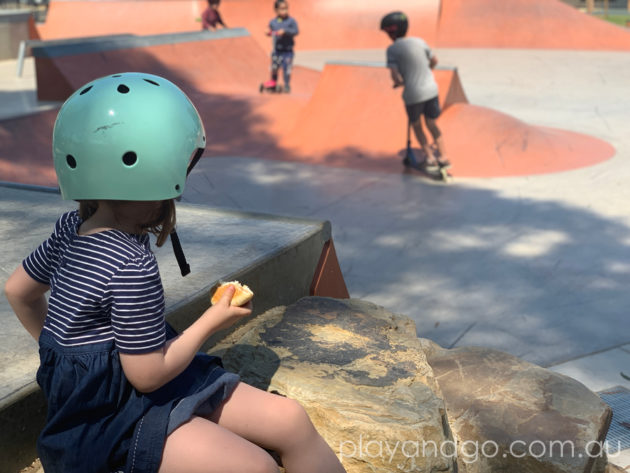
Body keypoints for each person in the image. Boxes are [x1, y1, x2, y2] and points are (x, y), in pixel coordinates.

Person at [4, 72, 346, 473]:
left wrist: (67, 359)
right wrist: (211, 321)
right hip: (110, 423)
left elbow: (18, 291)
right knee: (256, 467)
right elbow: (148, 374)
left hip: (116, 389)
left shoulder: (71, 228)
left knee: (290, 420)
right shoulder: (131, 266)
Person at [381, 11, 450, 172]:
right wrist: (428, 71)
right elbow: (434, 60)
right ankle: (444, 157)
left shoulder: (392, 50)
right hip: (432, 90)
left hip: (413, 94)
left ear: (391, 32)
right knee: (432, 124)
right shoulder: (420, 41)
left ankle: (431, 159)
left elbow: (395, 76)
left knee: (417, 125)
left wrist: (400, 83)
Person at [265, 0, 299, 93]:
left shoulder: (291, 21)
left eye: (286, 8)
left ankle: (287, 85)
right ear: (276, 10)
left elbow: (296, 31)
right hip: (277, 50)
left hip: (288, 51)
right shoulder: (273, 22)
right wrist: (267, 31)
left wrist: (285, 31)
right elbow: (269, 29)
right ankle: (273, 82)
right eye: (282, 9)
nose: (285, 11)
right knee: (274, 67)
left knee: (286, 68)